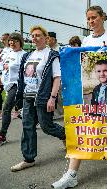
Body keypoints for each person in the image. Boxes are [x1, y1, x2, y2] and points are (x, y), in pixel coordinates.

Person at [51, 5, 107, 189]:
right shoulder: (86, 39)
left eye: (94, 17)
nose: (91, 21)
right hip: (91, 91)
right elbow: (82, 64)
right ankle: (71, 174)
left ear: (102, 18)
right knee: (86, 130)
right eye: (88, 19)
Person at [10, 25, 65, 172]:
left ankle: (66, 135)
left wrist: (52, 98)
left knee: (47, 126)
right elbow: (23, 77)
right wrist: (19, 96)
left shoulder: (51, 55)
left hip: (42, 97)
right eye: (33, 35)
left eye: (38, 35)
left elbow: (57, 77)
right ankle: (28, 159)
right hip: (28, 96)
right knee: (27, 127)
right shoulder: (27, 56)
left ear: (46, 38)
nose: (35, 38)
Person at [0, 33, 26, 148]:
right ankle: (31, 116)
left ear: (20, 42)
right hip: (7, 85)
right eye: (10, 41)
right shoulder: (8, 53)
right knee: (23, 108)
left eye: (15, 41)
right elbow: (4, 70)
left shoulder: (24, 55)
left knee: (6, 109)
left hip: (17, 85)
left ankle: (2, 136)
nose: (12, 43)